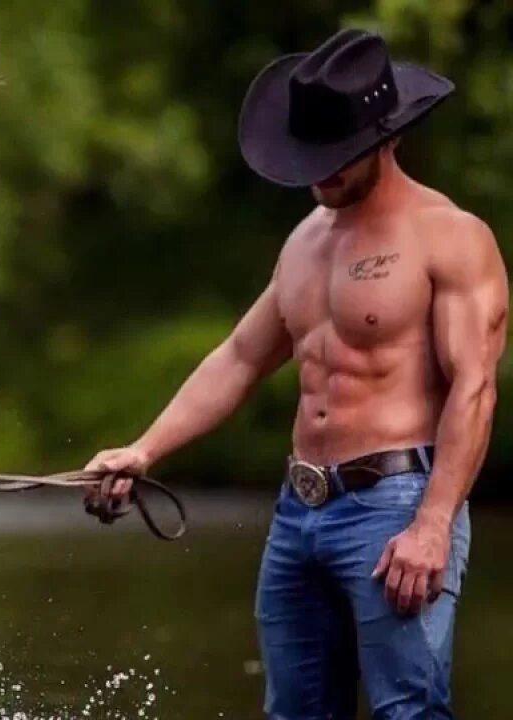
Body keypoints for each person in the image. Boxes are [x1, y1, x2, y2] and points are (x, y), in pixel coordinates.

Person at [82, 28, 508, 719]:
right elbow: (241, 357)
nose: (318, 174)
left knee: (410, 710)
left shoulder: (451, 236)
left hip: (397, 505)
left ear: (383, 137)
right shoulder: (306, 239)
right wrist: (145, 449)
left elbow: (475, 388)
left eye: (335, 159)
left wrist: (433, 523)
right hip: (298, 513)